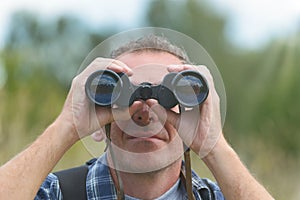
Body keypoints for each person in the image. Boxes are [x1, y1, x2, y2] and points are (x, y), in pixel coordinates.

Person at [0, 34, 274, 200]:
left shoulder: (220, 196)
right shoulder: (55, 194)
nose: (145, 112)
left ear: (197, 112)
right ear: (98, 124)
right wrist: (66, 126)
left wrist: (214, 146)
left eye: (169, 96)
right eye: (123, 95)